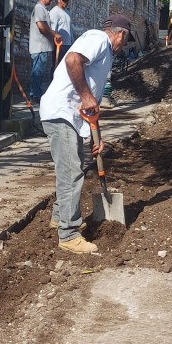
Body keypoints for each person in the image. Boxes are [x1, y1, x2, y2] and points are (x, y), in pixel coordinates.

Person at [40, 14, 133, 254]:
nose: (124, 46)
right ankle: (69, 234)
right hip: (60, 113)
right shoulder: (98, 39)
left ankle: (59, 216)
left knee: (74, 167)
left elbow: (92, 104)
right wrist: (85, 96)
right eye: (126, 39)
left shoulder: (104, 54)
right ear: (121, 34)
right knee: (71, 171)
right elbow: (72, 60)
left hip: (69, 117)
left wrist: (97, 138)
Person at [29, 0, 62, 101]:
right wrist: (54, 34)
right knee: (37, 71)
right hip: (39, 46)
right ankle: (35, 95)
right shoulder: (39, 9)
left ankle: (37, 93)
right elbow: (41, 26)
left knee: (39, 71)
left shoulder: (43, 9)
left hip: (43, 46)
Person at [50, 0, 73, 67]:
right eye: (63, 0)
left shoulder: (68, 13)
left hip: (68, 44)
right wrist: (56, 41)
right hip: (59, 44)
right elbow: (53, 28)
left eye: (67, 0)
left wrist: (72, 42)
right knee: (57, 66)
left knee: (65, 67)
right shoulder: (55, 11)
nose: (65, 2)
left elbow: (70, 29)